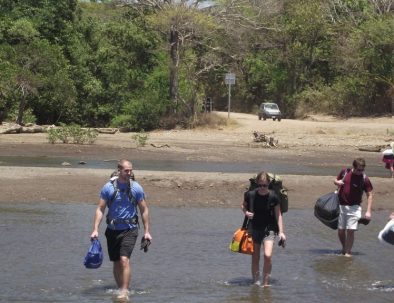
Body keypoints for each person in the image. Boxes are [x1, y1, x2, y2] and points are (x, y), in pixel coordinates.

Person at [90, 159, 152, 300]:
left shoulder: (136, 188)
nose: (129, 173)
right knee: (116, 261)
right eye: (126, 170)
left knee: (124, 260)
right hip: (112, 229)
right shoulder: (108, 187)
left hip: (130, 229)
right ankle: (121, 287)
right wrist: (95, 229)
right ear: (119, 170)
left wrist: (147, 231)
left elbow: (144, 209)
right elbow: (100, 209)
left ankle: (124, 291)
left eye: (131, 170)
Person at [241, 171, 286, 287]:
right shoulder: (250, 195)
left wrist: (281, 232)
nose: (262, 188)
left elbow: (278, 214)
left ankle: (265, 284)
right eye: (260, 185)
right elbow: (243, 205)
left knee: (267, 255)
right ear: (257, 184)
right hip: (254, 228)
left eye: (265, 185)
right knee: (255, 257)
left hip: (269, 228)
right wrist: (246, 213)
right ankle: (256, 282)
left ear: (268, 184)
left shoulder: (273, 196)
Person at [334, 158, 373, 257]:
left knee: (351, 230)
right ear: (353, 167)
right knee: (341, 230)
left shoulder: (364, 178)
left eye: (362, 170)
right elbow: (335, 180)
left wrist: (368, 211)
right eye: (359, 170)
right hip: (341, 206)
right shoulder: (344, 172)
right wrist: (337, 182)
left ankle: (348, 252)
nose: (360, 172)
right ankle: (344, 247)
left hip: (355, 207)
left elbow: (370, 194)